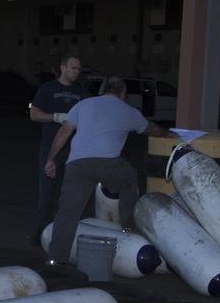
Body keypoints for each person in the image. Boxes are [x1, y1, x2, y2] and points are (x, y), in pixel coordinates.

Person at [45, 77, 170, 266]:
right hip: (108, 165)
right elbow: (152, 129)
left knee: (67, 213)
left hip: (77, 165)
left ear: (102, 91)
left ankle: (55, 259)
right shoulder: (128, 111)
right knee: (129, 179)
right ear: (123, 94)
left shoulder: (83, 104)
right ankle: (128, 226)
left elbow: (64, 132)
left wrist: (51, 159)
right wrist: (169, 133)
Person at [28, 55, 89, 243]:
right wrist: (55, 117)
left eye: (79, 69)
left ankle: (61, 235)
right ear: (62, 68)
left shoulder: (82, 93)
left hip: (74, 151)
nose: (77, 71)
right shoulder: (47, 89)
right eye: (73, 68)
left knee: (69, 195)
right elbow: (34, 115)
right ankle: (40, 234)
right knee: (47, 194)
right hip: (49, 149)